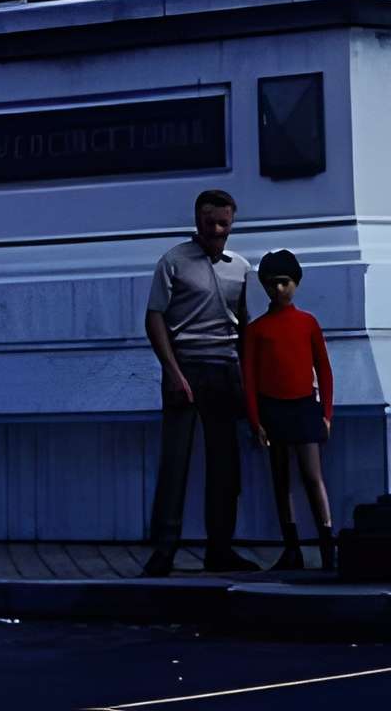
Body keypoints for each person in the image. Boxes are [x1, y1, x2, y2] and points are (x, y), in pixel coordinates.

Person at [142, 188, 258, 577]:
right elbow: (154, 317)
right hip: (186, 368)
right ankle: (164, 551)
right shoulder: (173, 261)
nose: (216, 230)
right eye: (209, 223)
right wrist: (173, 372)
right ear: (197, 221)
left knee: (225, 465)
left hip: (226, 371)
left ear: (232, 222)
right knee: (175, 463)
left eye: (223, 223)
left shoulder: (240, 268)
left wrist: (245, 379)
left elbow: (245, 326)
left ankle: (220, 548)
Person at [241, 249, 336, 572]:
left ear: (295, 282)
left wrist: (326, 414)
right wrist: (255, 420)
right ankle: (292, 547)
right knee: (280, 479)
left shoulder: (308, 323)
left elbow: (324, 370)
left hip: (304, 405)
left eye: (284, 282)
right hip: (273, 407)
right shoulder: (257, 330)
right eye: (271, 284)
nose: (278, 289)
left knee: (312, 476)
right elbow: (249, 378)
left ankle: (327, 544)